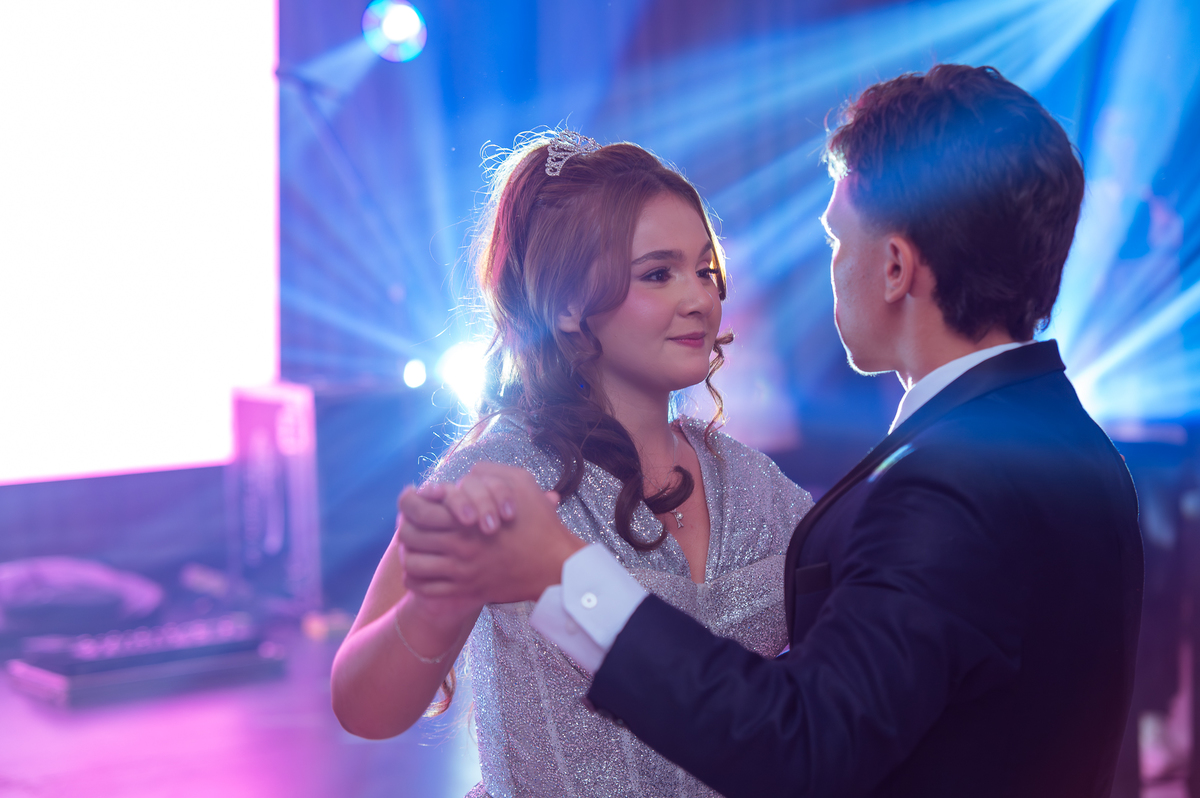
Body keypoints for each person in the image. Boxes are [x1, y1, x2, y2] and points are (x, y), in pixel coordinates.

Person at [399, 65, 1144, 797]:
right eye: (660, 274)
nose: (700, 298)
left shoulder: (944, 484)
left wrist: (566, 578)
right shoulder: (1074, 443)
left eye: (835, 241)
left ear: (893, 267)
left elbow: (804, 744)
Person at [330, 130, 813, 797]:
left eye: (704, 269)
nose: (699, 298)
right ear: (563, 307)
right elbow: (362, 706)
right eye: (657, 274)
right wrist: (439, 599)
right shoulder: (500, 471)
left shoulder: (756, 485)